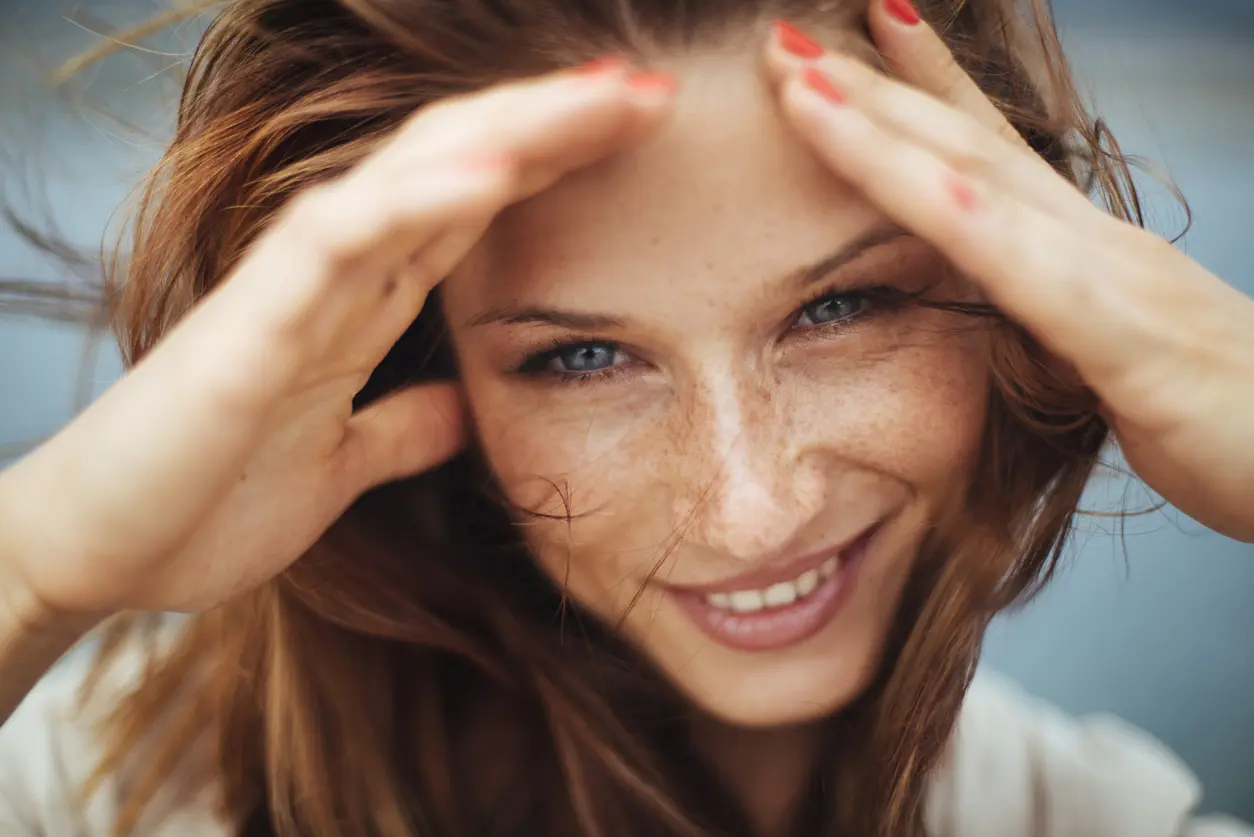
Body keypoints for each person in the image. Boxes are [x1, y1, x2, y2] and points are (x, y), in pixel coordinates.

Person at [0, 0, 1251, 835]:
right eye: (584, 355)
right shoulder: (101, 791)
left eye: (843, 306)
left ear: (1024, 280)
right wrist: (34, 569)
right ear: (411, 365)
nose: (751, 507)